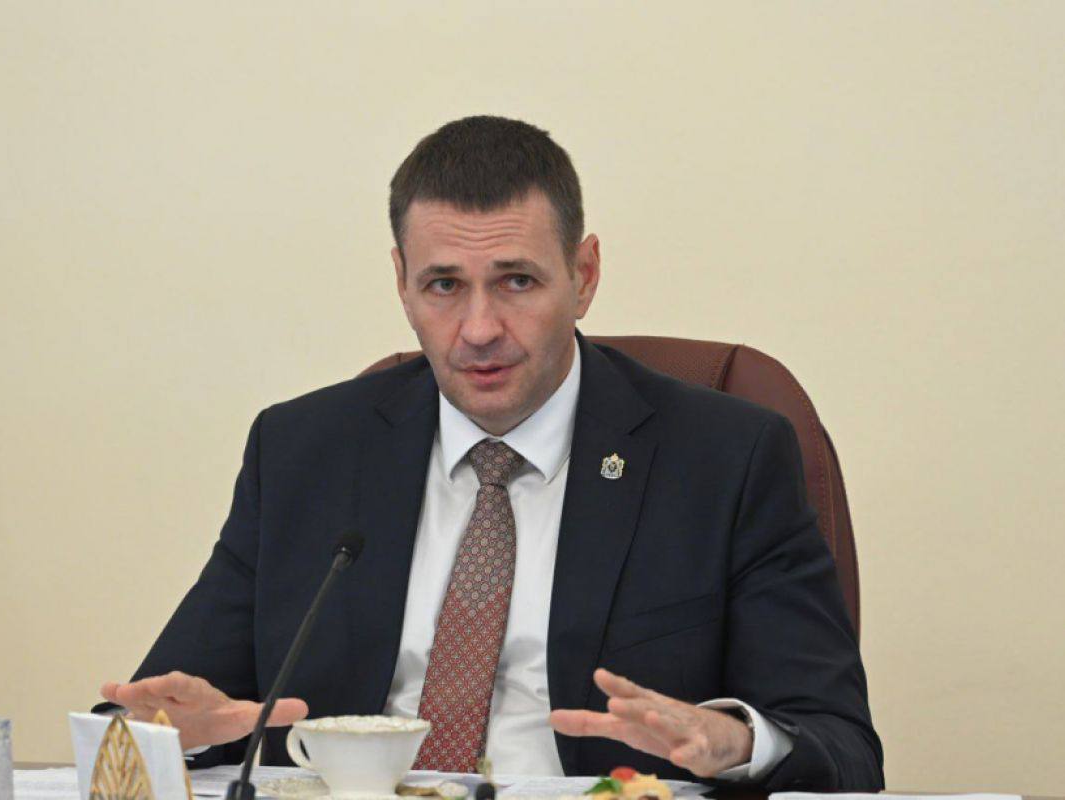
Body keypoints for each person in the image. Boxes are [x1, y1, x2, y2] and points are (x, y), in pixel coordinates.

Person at [97, 116, 883, 791]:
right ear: (402, 282)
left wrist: (734, 742)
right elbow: (161, 713)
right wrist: (179, 733)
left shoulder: (724, 459)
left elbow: (841, 747)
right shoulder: (304, 452)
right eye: (444, 285)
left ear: (584, 275)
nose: (478, 329)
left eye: (516, 282)